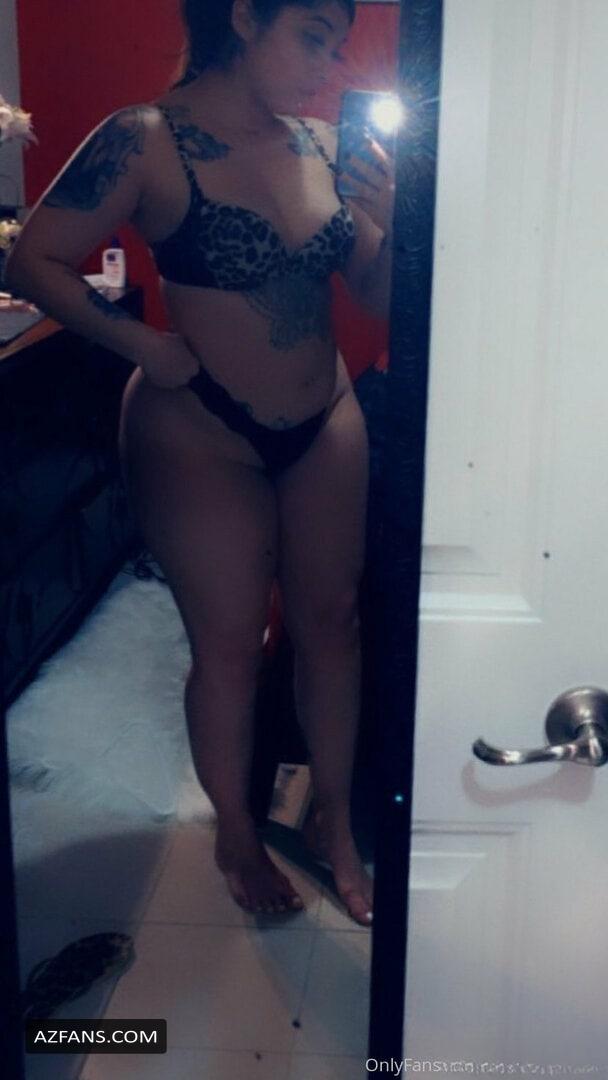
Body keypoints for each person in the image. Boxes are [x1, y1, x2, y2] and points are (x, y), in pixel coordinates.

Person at [5, 0, 395, 926]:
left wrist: (391, 220)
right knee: (227, 648)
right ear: (245, 19)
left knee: (333, 626)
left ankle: (338, 826)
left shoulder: (323, 146)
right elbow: (33, 262)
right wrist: (142, 344)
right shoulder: (145, 137)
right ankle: (237, 836)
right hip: (198, 430)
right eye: (312, 37)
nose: (329, 66)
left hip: (324, 417)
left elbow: (376, 298)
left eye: (336, 45)